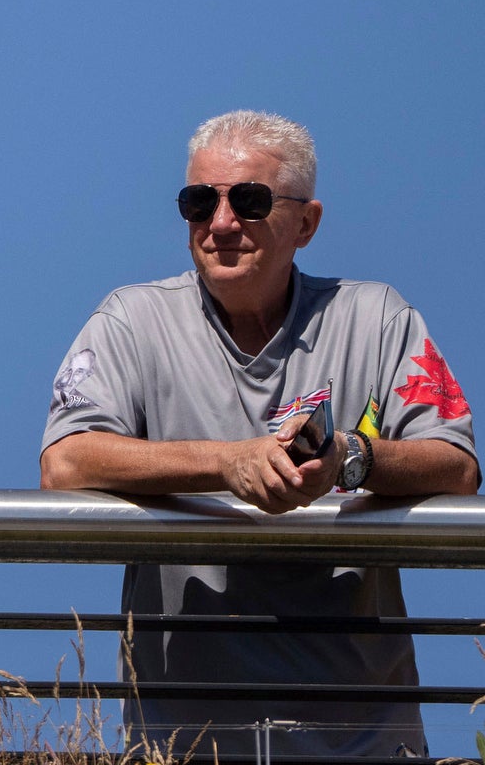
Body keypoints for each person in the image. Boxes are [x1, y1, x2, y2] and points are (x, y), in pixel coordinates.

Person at [42, 111, 475, 762]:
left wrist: (348, 461)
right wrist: (228, 463)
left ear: (307, 222)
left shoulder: (378, 317)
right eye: (198, 202)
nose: (220, 224)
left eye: (249, 200)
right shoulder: (130, 322)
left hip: (363, 743)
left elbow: (457, 466)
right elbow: (66, 463)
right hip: (184, 746)